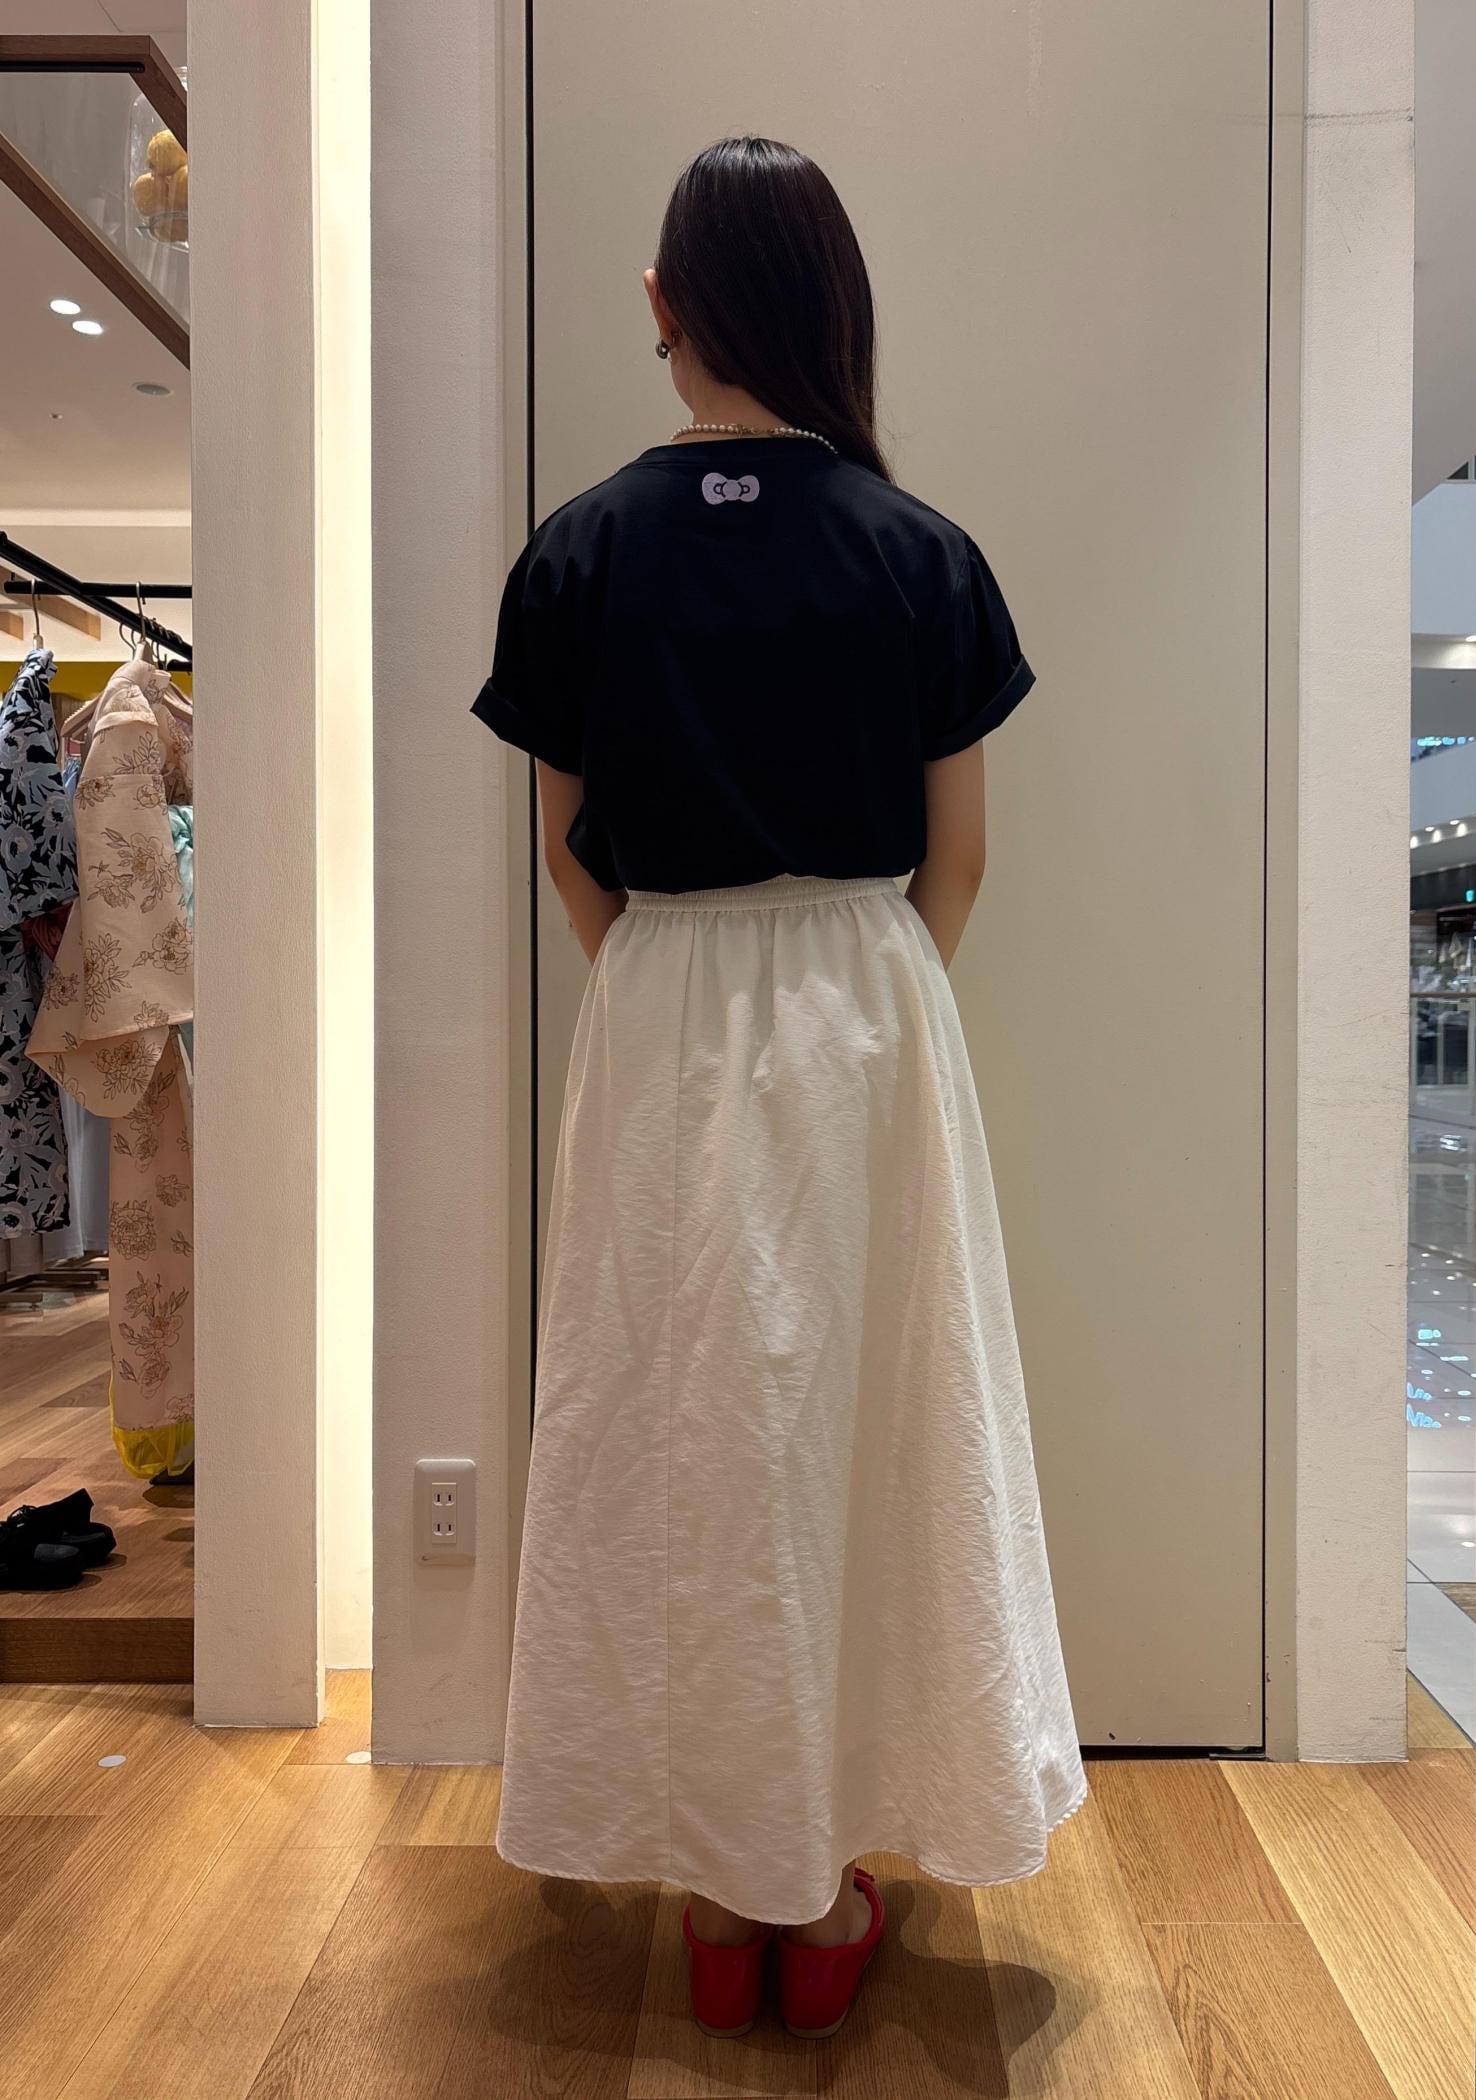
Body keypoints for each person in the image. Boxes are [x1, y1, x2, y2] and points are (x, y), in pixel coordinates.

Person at [471, 133, 1086, 2044]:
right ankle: (817, 1891)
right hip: (868, 1003)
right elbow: (958, 859)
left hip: (656, 1001)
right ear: (833, 305)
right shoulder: (921, 552)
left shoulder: (577, 552)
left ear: (662, 304)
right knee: (874, 1427)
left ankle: (721, 1895)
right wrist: (863, 1012)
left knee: (670, 1433)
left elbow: (567, 853)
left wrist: (671, 996)